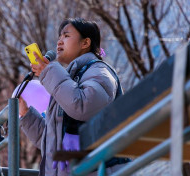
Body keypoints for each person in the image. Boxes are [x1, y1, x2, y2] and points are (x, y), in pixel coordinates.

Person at [18, 18, 127, 176]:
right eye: (59, 37)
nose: (59, 42)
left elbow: (84, 105)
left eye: (66, 36)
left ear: (85, 43)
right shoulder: (68, 81)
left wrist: (49, 72)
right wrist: (26, 115)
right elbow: (53, 140)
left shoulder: (99, 71)